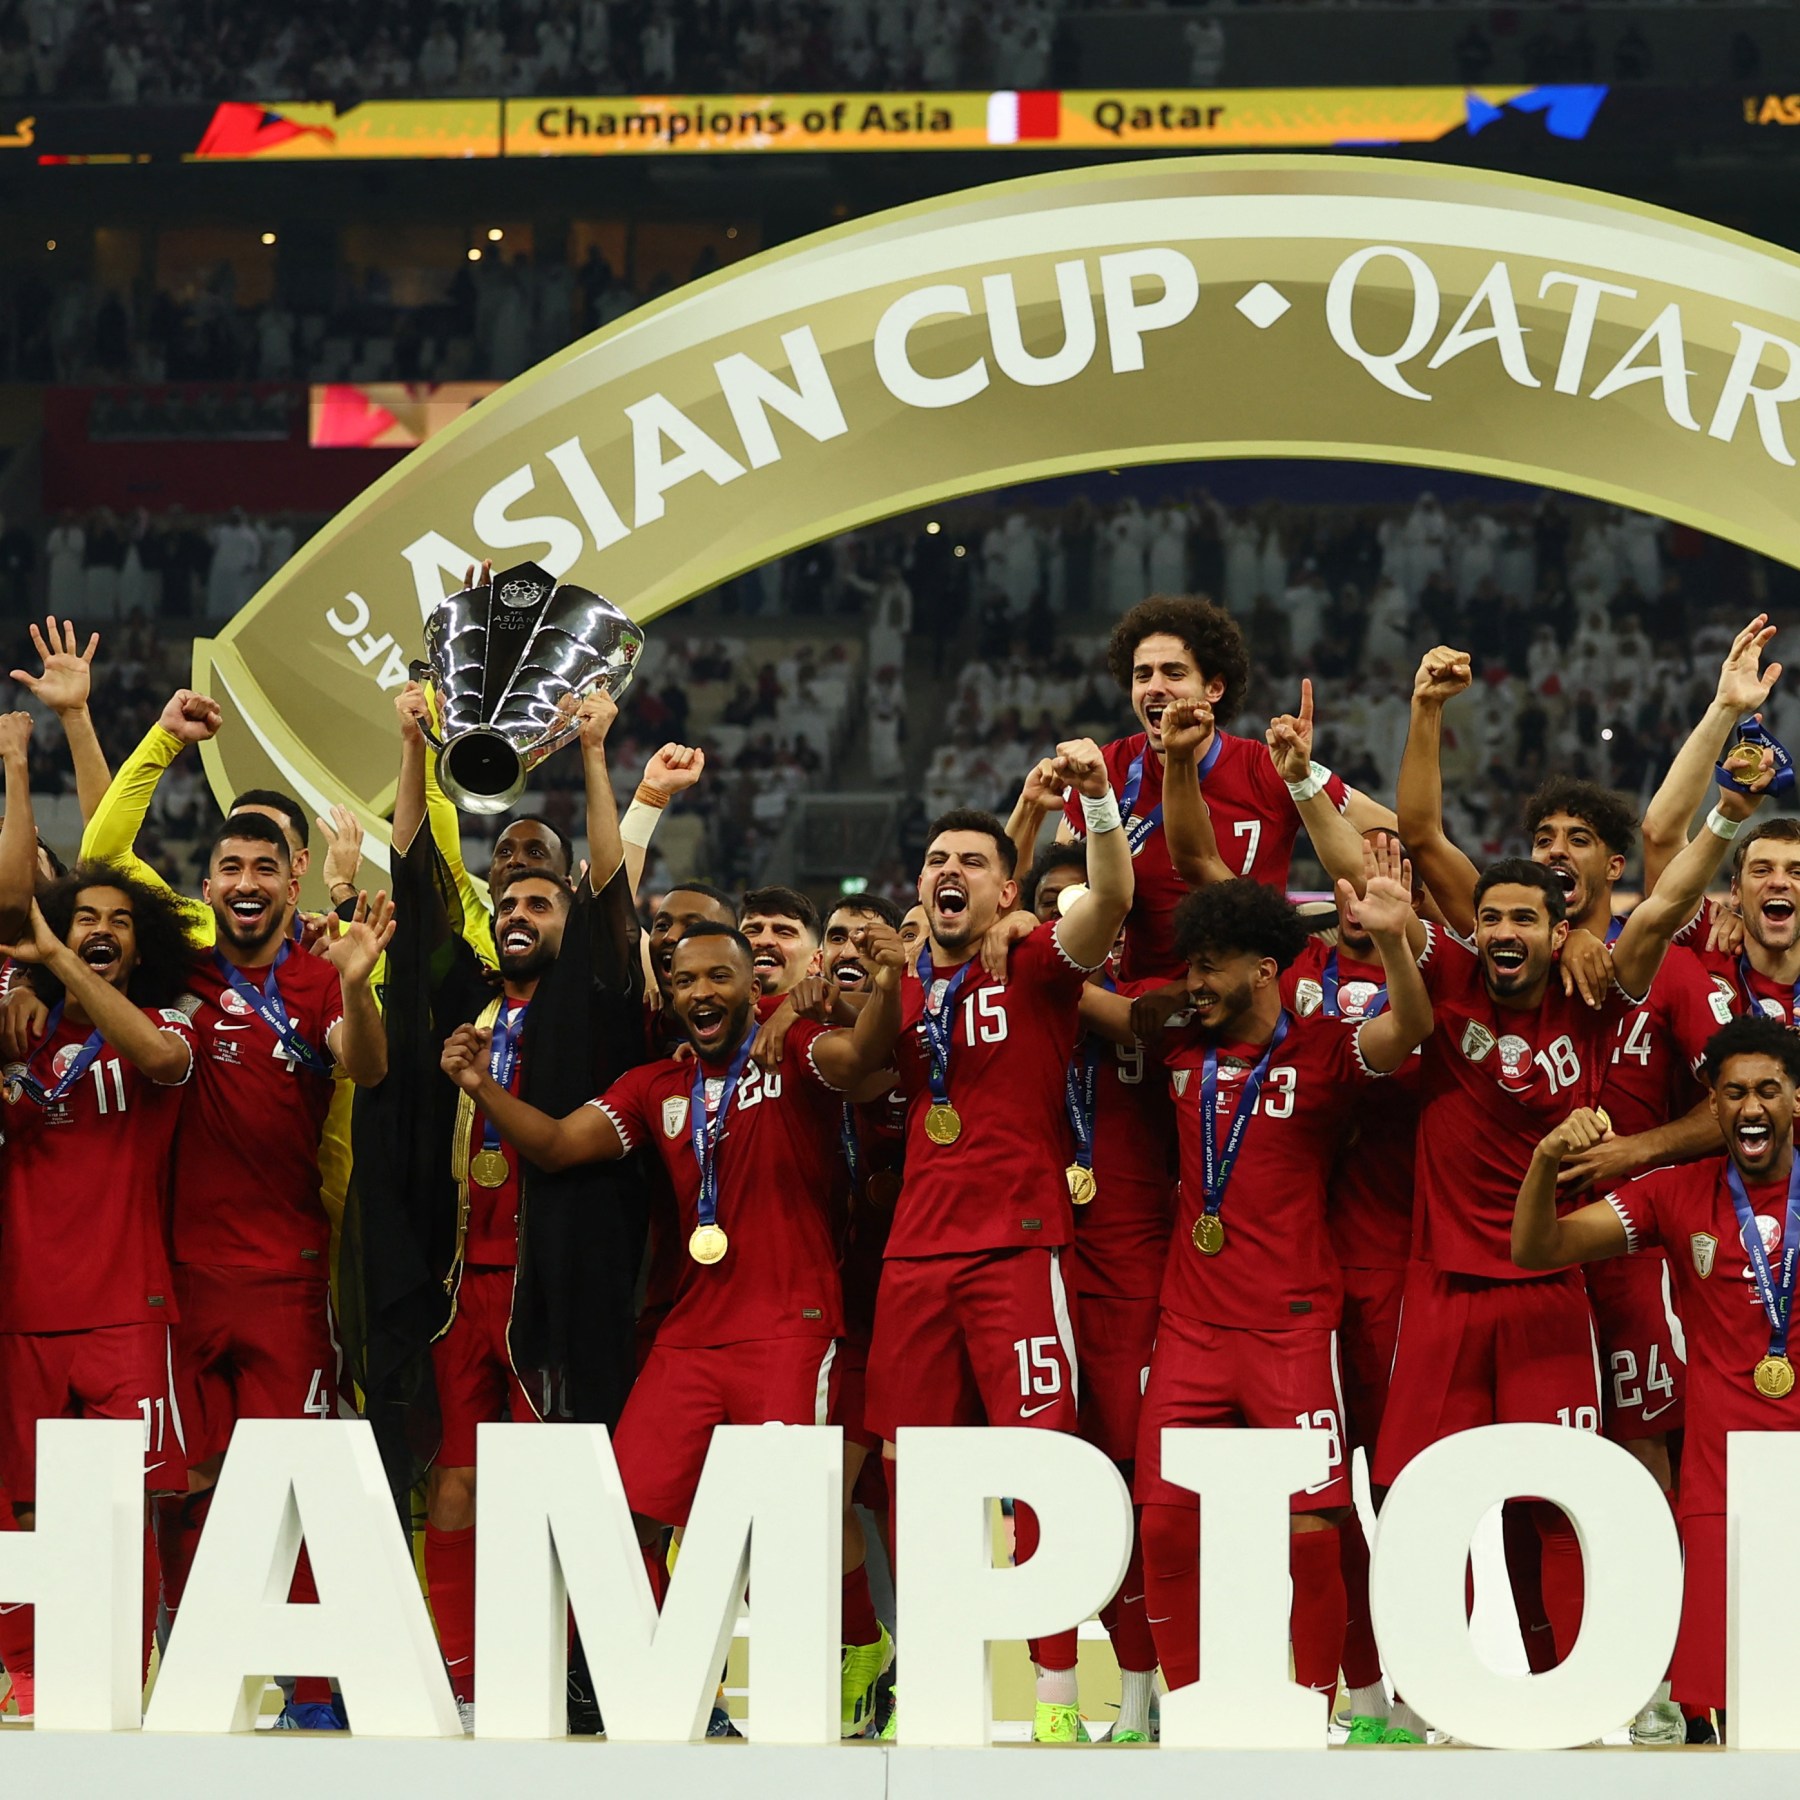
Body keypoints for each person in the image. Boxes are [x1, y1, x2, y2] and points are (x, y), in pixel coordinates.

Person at [1370, 745, 1765, 1729]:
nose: (1506, 929)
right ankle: (1433, 1694)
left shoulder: (1602, 988)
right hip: (1453, 1280)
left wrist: (1728, 811)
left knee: (1581, 1495)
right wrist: (1404, 722)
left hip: (1577, 1271)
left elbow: (1666, 902)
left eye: (1528, 916)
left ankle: (1610, 1693)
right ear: (1475, 926)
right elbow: (1416, 838)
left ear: (1562, 926)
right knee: (1431, 1500)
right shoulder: (1452, 974)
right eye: (1493, 916)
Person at [443, 917, 906, 1734]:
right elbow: (558, 1145)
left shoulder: (791, 1050)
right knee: (623, 1518)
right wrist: (482, 1087)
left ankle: (851, 1655)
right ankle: (660, 1692)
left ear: (750, 985)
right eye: (685, 980)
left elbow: (864, 1058)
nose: (701, 992)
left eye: (719, 976)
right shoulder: (652, 1085)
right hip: (690, 1336)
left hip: (791, 1327)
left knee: (789, 1522)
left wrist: (888, 982)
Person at [350, 681, 649, 1733]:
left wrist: (598, 755)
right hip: (457, 1291)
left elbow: (612, 888)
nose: (519, 914)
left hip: (551, 1292)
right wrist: (413, 747)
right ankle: (463, 1679)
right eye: (508, 901)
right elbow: (416, 886)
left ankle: (572, 1670)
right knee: (456, 1487)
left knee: (556, 1490)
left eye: (541, 903)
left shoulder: (592, 1006)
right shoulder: (466, 1001)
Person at [1082, 842, 1433, 1722]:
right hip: (1190, 1328)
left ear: (1264, 970)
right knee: (1163, 1523)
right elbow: (1081, 998)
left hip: (1293, 1327)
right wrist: (1015, 934)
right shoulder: (1177, 1040)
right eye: (1190, 964)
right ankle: (1187, 1710)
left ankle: (1317, 1710)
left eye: (1210, 965)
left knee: (1312, 1530)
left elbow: (1409, 1029)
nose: (1194, 981)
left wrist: (1396, 941)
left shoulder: (1325, 1051)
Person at [868, 738, 1133, 1746]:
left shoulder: (1032, 960)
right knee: (914, 1479)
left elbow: (1110, 900)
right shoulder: (898, 984)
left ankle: (1057, 1697)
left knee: (1040, 1472)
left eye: (974, 862)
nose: (952, 871)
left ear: (1009, 890)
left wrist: (1096, 802)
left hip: (1016, 1252)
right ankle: (938, 1685)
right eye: (937, 859)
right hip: (911, 1261)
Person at [155, 812, 393, 1731]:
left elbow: (366, 1067)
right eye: (230, 867)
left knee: (302, 1481)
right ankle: (188, 1668)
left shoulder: (322, 976)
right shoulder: (174, 975)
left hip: (288, 1274)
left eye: (263, 866)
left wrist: (358, 986)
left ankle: (313, 1689)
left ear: (292, 884)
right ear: (206, 887)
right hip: (177, 1275)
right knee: (183, 1478)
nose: (246, 882)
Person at [1511, 1016, 1800, 1742]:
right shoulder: (1673, 1193)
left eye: (1768, 1090)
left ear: (1797, 1099)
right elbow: (1538, 1248)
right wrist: (1545, 1161)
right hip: (1721, 1480)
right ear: (1713, 1105)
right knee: (1722, 1714)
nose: (1751, 1107)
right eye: (1734, 1093)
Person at [0, 829, 200, 1715]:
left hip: (128, 1305)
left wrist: (54, 963)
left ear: (139, 946)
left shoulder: (166, 1025)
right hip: (22, 1306)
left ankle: (121, 1674)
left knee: (127, 1507)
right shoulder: (19, 1032)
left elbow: (160, 1061)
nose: (101, 930)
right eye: (84, 918)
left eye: (120, 921)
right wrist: (20, 982)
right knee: (27, 1509)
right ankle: (31, 1674)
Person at [1008, 596, 1389, 982]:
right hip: (1140, 1001)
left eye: (1173, 673)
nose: (1154, 688)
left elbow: (1392, 836)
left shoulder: (1270, 765)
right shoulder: (1102, 773)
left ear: (1214, 688)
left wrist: (1302, 782)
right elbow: (1058, 894)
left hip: (1254, 997)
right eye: (1143, 675)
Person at [1023, 840, 1171, 1745]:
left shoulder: (1154, 998)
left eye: (1085, 900)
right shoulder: (1005, 999)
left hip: (1135, 1283)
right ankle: (1055, 1692)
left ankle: (1146, 1687)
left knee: (1130, 1491)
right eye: (1048, 903)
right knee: (1043, 1491)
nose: (1065, 915)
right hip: (1031, 1269)